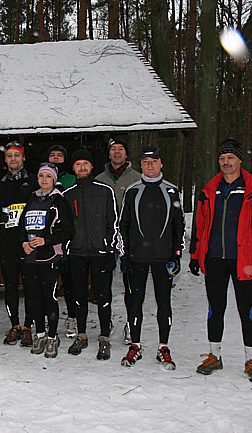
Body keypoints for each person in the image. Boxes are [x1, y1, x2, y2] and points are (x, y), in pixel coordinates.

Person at [190, 138, 252, 384]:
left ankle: (251, 360)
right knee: (215, 309)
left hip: (245, 260)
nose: (226, 162)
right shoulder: (210, 190)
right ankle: (214, 356)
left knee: (247, 310)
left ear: (240, 160)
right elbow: (200, 225)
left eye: (230, 158)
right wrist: (196, 254)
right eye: (222, 158)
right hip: (215, 258)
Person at [119, 148, 185, 370]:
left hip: (163, 258)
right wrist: (124, 254)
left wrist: (177, 254)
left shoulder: (171, 191)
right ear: (140, 164)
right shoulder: (133, 191)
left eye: (154, 161)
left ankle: (163, 347)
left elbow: (178, 225)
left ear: (161, 164)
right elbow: (123, 225)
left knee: (163, 302)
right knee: (135, 301)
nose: (149, 165)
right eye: (145, 161)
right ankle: (135, 345)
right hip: (137, 258)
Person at [63, 148, 119, 360]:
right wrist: (67, 250)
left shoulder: (105, 191)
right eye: (78, 164)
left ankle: (104, 338)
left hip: (100, 252)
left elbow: (113, 222)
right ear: (73, 168)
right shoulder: (68, 195)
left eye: (85, 163)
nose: (82, 167)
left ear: (92, 166)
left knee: (103, 297)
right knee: (79, 296)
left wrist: (110, 248)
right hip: (76, 253)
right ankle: (82, 334)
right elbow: (63, 226)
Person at [19, 163, 74, 358]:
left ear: (54, 180)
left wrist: (46, 240)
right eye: (41, 176)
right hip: (30, 257)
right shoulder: (32, 198)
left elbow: (68, 231)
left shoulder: (60, 201)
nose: (44, 180)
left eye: (48, 176)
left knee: (49, 297)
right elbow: (21, 225)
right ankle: (40, 334)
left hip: (49, 256)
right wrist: (23, 243)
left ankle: (52, 336)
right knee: (34, 297)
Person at [0, 141, 39, 346]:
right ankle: (15, 325)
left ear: (23, 158)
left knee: (31, 287)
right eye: (9, 155)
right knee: (10, 287)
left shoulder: (34, 181)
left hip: (29, 244)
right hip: (8, 244)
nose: (13, 159)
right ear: (5, 159)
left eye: (17, 155)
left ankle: (28, 326)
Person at [95, 139, 141, 345]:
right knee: (104, 283)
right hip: (106, 238)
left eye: (120, 149)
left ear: (126, 154)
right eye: (113, 149)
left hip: (130, 239)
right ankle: (106, 322)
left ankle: (131, 323)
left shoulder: (137, 179)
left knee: (131, 284)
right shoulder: (99, 179)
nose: (116, 152)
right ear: (108, 154)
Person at [46, 145, 77, 338]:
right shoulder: (42, 179)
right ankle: (47, 320)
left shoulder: (72, 180)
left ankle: (72, 317)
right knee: (47, 286)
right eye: (52, 155)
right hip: (48, 243)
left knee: (70, 284)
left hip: (67, 241)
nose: (56, 158)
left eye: (60, 155)